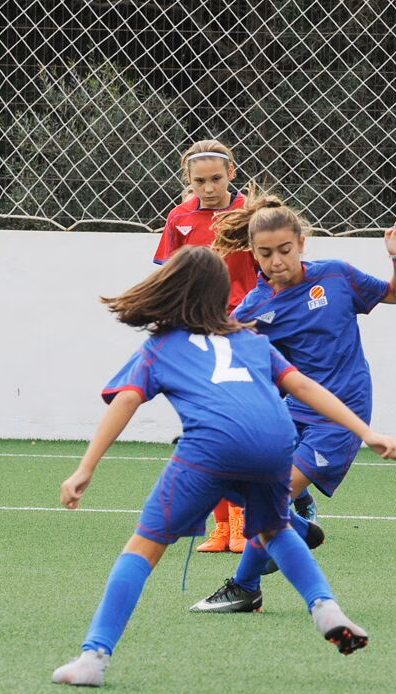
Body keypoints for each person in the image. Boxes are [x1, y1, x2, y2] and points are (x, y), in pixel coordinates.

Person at [51, 246, 396, 687]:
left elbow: (126, 399)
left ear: (170, 289)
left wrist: (85, 468)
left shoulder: (160, 346)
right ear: (223, 296)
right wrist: (366, 432)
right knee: (272, 529)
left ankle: (93, 658)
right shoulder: (251, 340)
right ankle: (325, 607)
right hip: (277, 444)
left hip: (213, 448)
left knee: (142, 548)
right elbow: (303, 385)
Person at [189, 193, 396, 613]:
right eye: (265, 253)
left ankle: (246, 586)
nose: (276, 261)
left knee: (269, 497)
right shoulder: (255, 307)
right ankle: (297, 526)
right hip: (290, 414)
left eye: (285, 251)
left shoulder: (337, 276)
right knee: (235, 483)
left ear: (302, 243)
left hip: (341, 415)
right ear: (253, 254)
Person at [154, 139, 256, 553]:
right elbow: (170, 275)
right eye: (200, 181)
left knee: (238, 427)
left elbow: (265, 270)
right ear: (188, 181)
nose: (209, 187)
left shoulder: (251, 215)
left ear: (232, 173)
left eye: (216, 178)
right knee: (203, 427)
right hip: (196, 332)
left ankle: (244, 519)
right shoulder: (179, 218)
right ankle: (221, 526)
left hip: (241, 329)